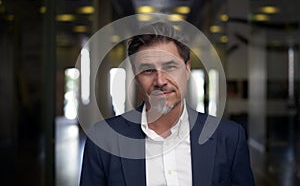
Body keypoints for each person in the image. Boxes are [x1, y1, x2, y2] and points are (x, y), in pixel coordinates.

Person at [80, 22, 255, 186]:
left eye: (170, 67)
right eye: (148, 70)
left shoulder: (230, 137)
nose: (160, 80)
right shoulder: (103, 139)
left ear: (187, 70)